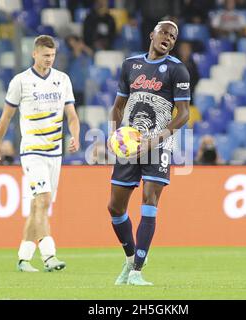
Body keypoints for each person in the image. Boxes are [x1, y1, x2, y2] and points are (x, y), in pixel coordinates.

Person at [107, 21, 190, 286]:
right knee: (115, 207)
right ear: (151, 34)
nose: (168, 38)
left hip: (159, 145)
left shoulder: (177, 70)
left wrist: (156, 140)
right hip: (131, 145)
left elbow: (184, 114)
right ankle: (131, 258)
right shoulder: (130, 65)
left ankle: (137, 272)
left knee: (149, 199)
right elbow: (118, 107)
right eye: (164, 32)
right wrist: (113, 134)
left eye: (173, 36)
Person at [0, 35, 80, 272]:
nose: (49, 60)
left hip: (55, 154)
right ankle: (49, 255)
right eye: (45, 55)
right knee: (43, 200)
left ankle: (23, 258)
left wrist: (76, 135)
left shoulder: (62, 79)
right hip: (32, 152)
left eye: (52, 55)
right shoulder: (21, 81)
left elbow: (71, 114)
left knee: (38, 206)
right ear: (34, 54)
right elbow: (6, 118)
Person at [66, 35, 94, 107]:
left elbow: (92, 54)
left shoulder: (85, 58)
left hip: (82, 89)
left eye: (75, 42)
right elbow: (75, 54)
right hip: (71, 89)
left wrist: (83, 46)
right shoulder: (69, 56)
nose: (74, 45)